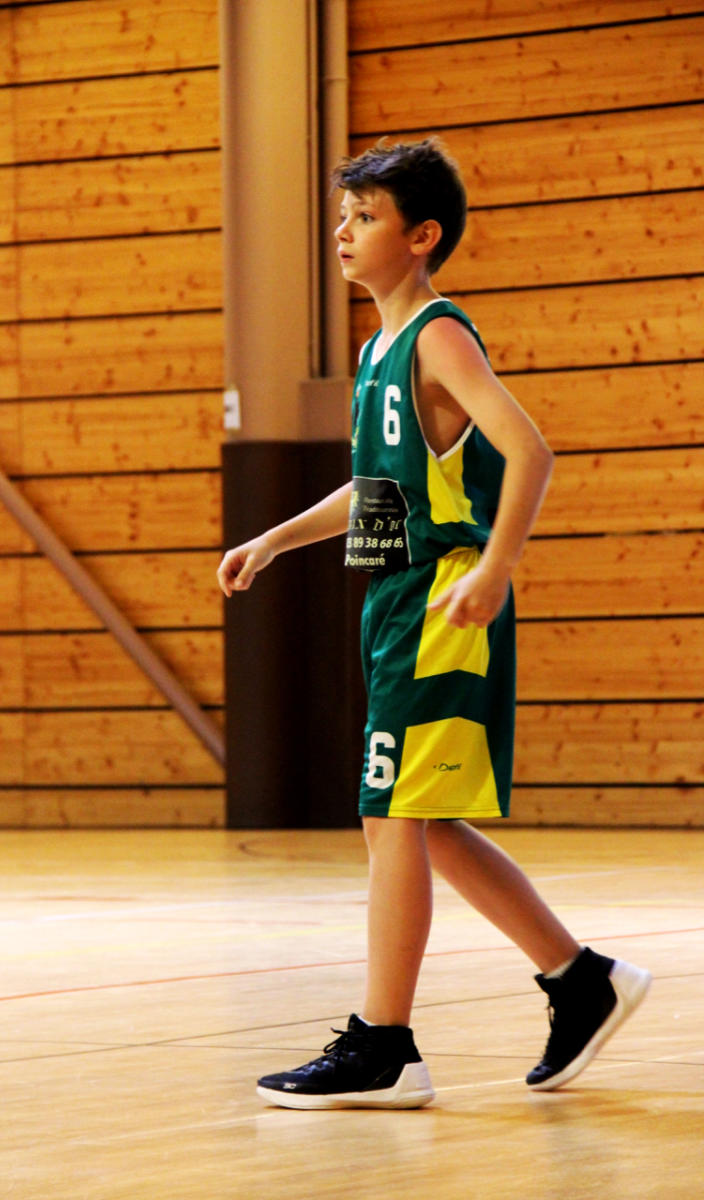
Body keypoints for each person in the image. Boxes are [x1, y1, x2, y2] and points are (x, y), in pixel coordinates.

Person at [216, 137, 651, 1110]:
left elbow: (529, 451)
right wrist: (275, 539)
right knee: (429, 824)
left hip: (445, 596)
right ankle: (579, 981)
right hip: (395, 597)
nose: (343, 231)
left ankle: (385, 1044)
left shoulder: (437, 337)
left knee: (391, 815)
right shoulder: (376, 351)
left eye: (366, 217)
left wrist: (495, 567)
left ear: (421, 237)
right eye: (343, 215)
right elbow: (379, 491)